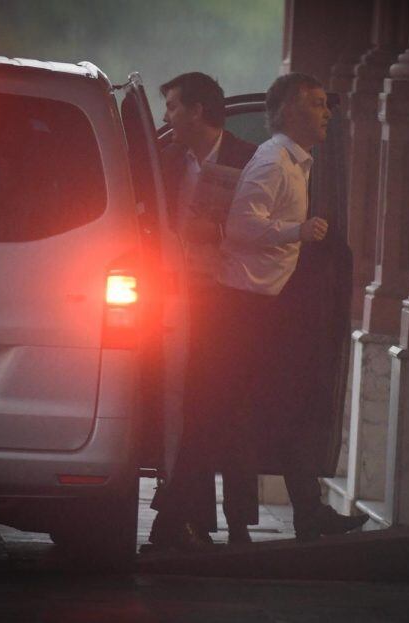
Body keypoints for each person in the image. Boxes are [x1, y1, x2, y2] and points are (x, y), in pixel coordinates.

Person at [208, 72, 368, 541]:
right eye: (318, 104)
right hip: (247, 311)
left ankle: (307, 512)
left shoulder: (298, 162)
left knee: (292, 408)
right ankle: (239, 522)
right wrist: (295, 232)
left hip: (272, 308)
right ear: (289, 112)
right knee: (243, 412)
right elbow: (240, 229)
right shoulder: (274, 161)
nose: (327, 113)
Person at [148, 72, 258, 550]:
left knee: (230, 412)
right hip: (177, 301)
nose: (167, 116)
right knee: (181, 410)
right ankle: (187, 516)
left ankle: (232, 522)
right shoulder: (168, 162)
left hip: (232, 302)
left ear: (197, 110)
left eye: (172, 106)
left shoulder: (248, 159)